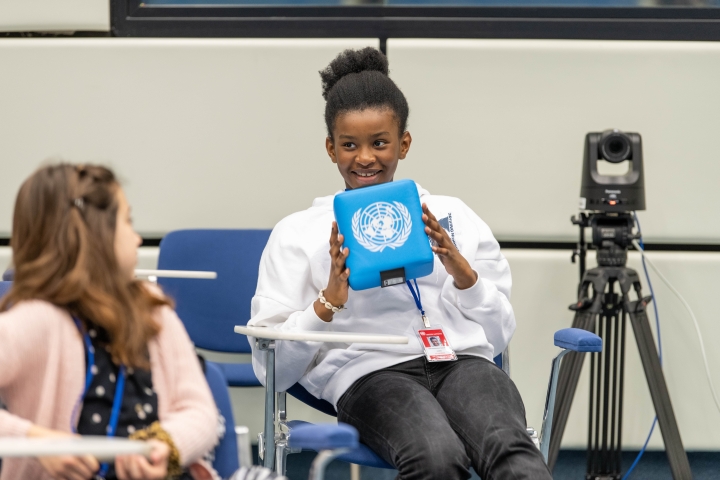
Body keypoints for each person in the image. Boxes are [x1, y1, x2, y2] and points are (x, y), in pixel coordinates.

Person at [248, 48, 552, 479]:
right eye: (349, 145)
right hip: (370, 375)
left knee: (510, 448)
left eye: (380, 143)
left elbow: (500, 335)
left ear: (403, 144)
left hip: (462, 362)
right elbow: (271, 369)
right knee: (434, 455)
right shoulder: (298, 232)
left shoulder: (452, 215)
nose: (365, 157)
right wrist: (327, 304)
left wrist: (466, 281)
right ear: (330, 148)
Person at [0, 164, 219, 480]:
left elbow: (199, 411)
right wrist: (35, 440)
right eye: (128, 222)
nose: (138, 238)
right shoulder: (35, 320)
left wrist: (164, 446)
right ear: (96, 235)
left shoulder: (152, 310)